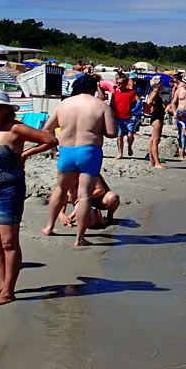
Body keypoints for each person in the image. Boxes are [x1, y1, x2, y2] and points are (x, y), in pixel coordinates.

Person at [0, 89, 57, 305]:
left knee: (9, 242)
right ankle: (1, 284)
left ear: (7, 109)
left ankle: (9, 292)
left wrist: (24, 155)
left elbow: (50, 140)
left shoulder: (17, 129)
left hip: (9, 191)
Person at [42, 74, 117, 246]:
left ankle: (49, 227)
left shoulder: (64, 104)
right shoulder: (100, 106)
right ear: (94, 88)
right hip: (89, 151)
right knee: (84, 196)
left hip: (67, 151)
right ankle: (79, 238)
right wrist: (98, 130)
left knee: (60, 190)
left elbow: (47, 128)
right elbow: (112, 133)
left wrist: (54, 149)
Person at [110, 74, 139, 160]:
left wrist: (136, 110)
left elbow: (138, 102)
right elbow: (112, 105)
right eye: (117, 83)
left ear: (125, 84)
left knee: (130, 135)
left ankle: (130, 146)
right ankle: (120, 153)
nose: (118, 85)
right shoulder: (114, 94)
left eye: (120, 83)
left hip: (129, 117)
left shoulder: (131, 92)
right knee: (119, 136)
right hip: (118, 118)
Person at [144, 76, 167, 169]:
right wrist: (155, 106)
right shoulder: (155, 92)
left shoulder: (155, 92)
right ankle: (157, 162)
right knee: (156, 141)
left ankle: (152, 161)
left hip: (156, 116)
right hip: (157, 117)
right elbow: (149, 102)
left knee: (152, 140)